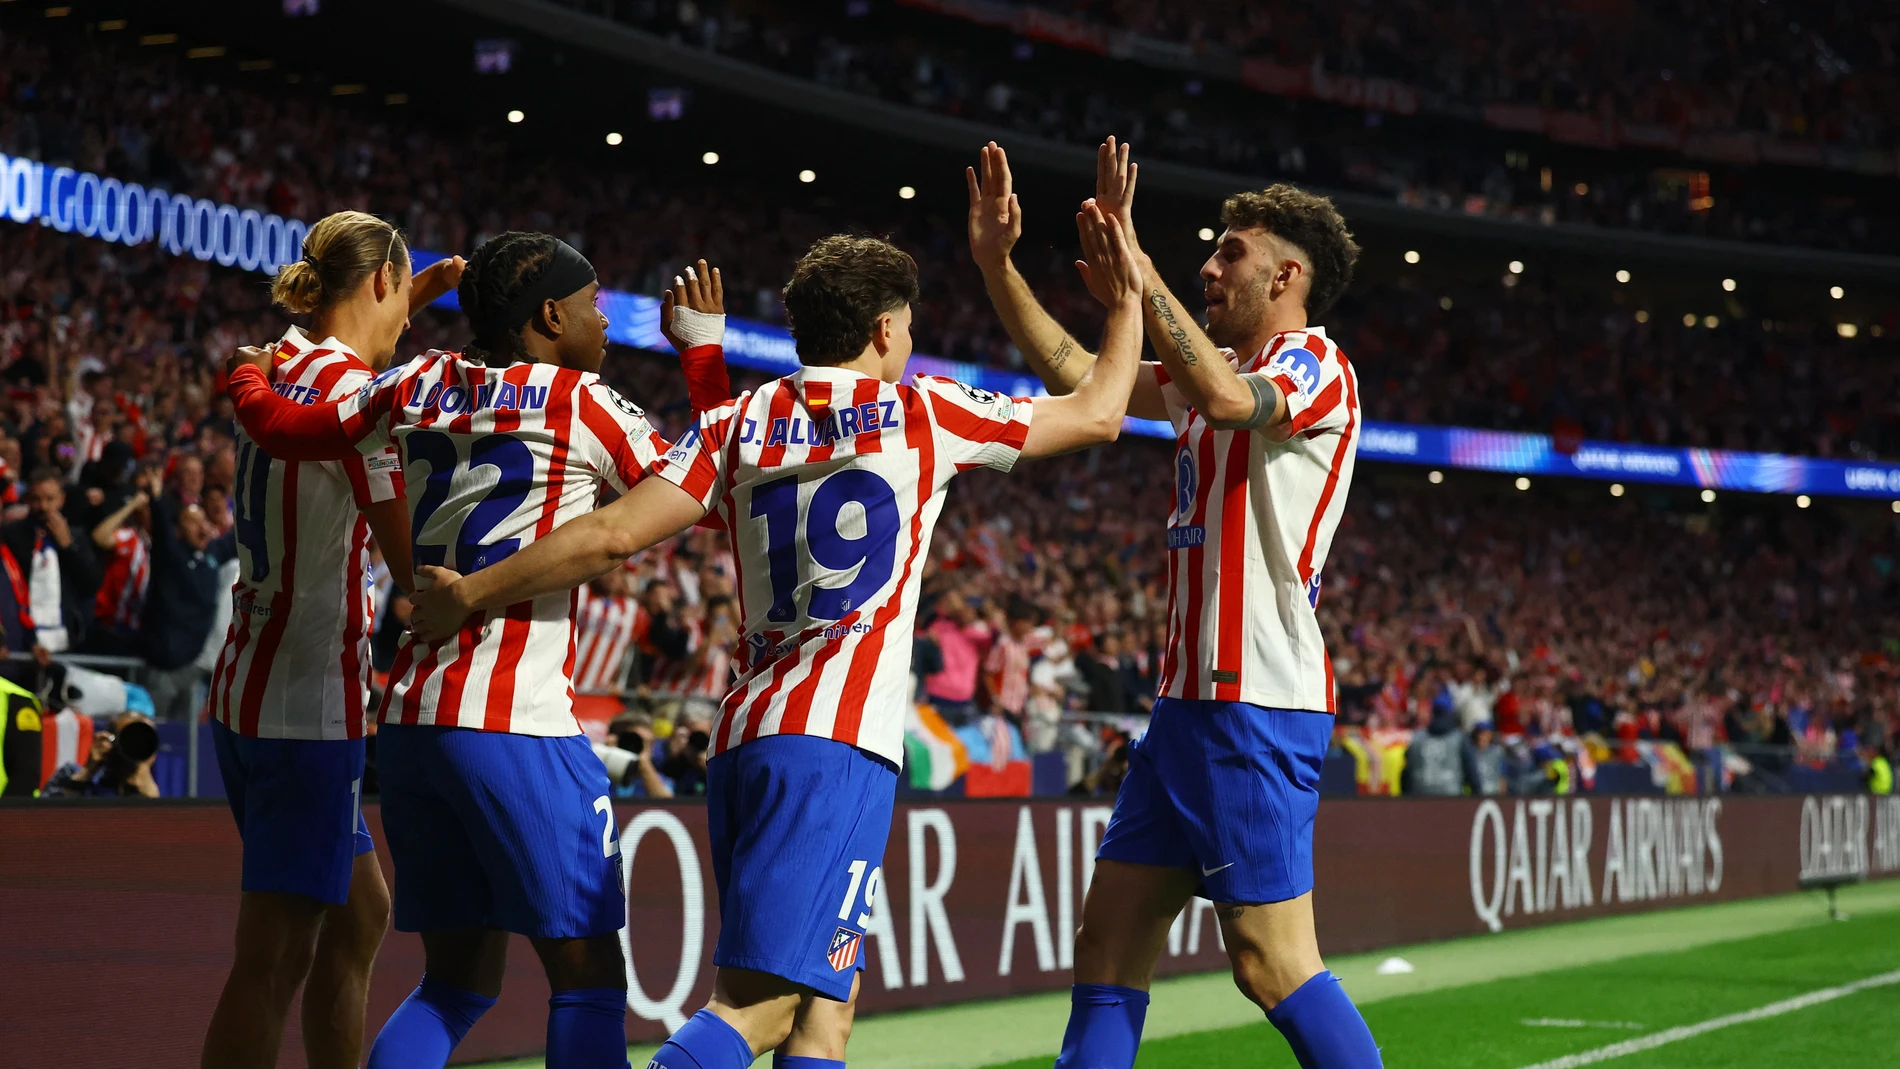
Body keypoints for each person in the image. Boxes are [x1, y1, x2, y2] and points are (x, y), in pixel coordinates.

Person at [403, 210, 1147, 1069]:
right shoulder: (927, 412)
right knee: (756, 1010)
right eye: (907, 326)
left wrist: (476, 590)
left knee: (825, 1007)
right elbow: (1098, 413)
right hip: (834, 749)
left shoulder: (737, 422)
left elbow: (613, 533)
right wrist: (1125, 301)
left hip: (745, 741)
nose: (910, 341)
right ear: (880, 330)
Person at [225, 233, 731, 1069]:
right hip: (518, 723)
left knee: (455, 984)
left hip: (415, 722)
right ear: (549, 315)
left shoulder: (413, 382)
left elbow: (290, 423)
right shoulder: (583, 401)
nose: (605, 324)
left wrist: (245, 371)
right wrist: (703, 354)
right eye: (594, 304)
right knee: (590, 980)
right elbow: (711, 489)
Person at [969, 138, 1380, 1067]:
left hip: (1256, 705)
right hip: (1184, 709)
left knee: (1271, 963)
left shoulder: (1317, 364)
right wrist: (998, 266)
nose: (1209, 264)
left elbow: (1234, 399)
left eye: (1231, 251)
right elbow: (1079, 373)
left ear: (1289, 274)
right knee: (1108, 943)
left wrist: (1140, 267)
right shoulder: (1204, 382)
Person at [198, 211, 459, 1069]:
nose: (409, 321)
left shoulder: (283, 355)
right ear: (380, 281)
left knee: (360, 912)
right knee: (272, 962)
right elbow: (410, 576)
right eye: (403, 293)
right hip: (306, 714)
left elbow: (352, 355)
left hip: (248, 686)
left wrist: (400, 298)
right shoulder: (359, 405)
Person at [0, 466, 103, 653]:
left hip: (66, 641)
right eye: (37, 499)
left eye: (50, 499)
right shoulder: (11, 535)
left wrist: (68, 547)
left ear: (62, 499)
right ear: (27, 500)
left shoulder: (76, 536)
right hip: (23, 642)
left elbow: (92, 583)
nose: (44, 506)